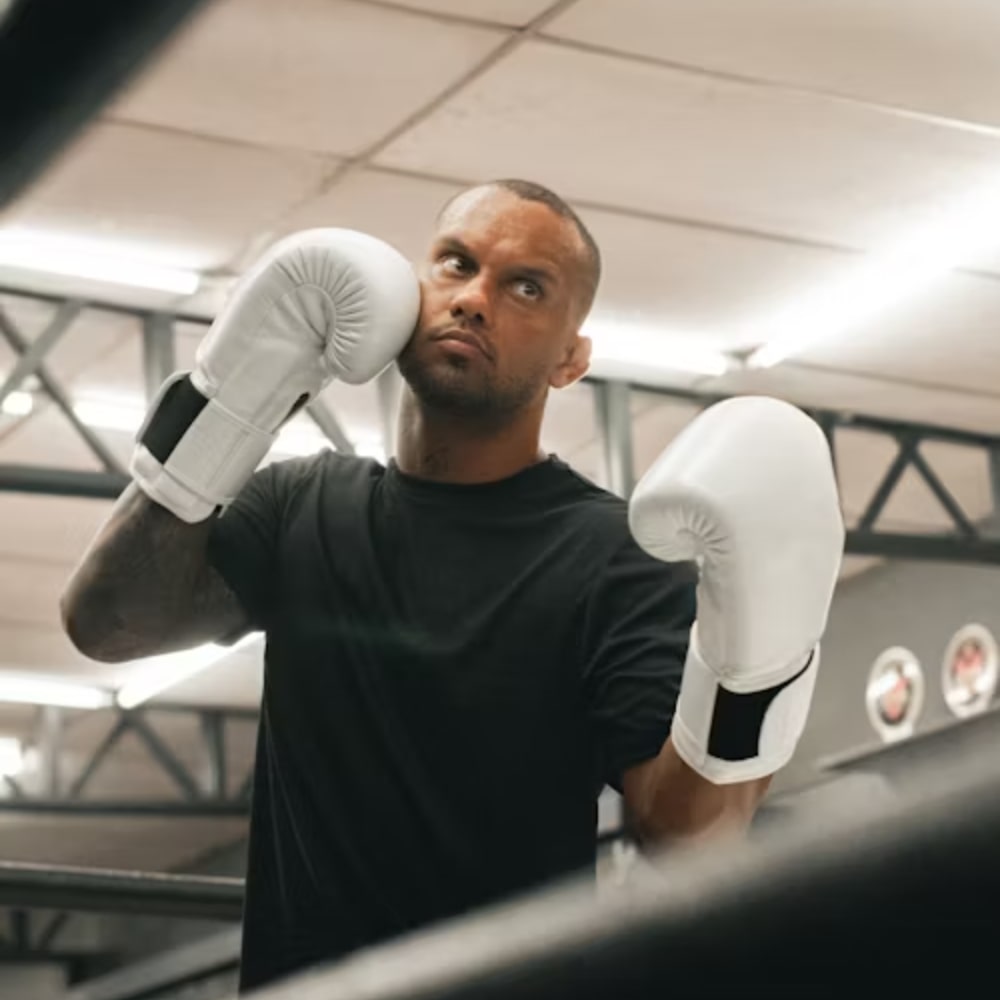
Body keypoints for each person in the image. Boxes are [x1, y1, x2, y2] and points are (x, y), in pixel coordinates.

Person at [60, 179, 844, 993]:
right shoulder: (302, 503)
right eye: (456, 265)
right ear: (413, 289)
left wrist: (763, 659)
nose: (474, 300)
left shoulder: (616, 554)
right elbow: (108, 624)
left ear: (571, 358)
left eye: (525, 287)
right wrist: (226, 405)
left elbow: (687, 842)